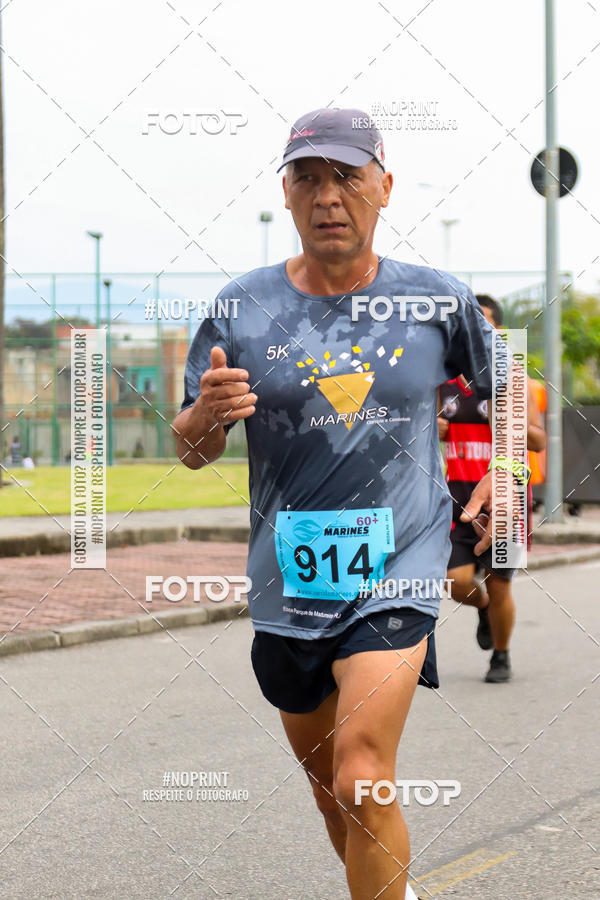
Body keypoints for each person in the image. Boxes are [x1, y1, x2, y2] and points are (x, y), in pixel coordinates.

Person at [172, 108, 509, 899]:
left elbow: (511, 395)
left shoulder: (435, 299)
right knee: (334, 789)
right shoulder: (239, 308)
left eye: (348, 176)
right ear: (285, 194)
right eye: (309, 178)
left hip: (403, 558)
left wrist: (507, 475)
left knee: (362, 774)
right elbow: (190, 449)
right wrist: (203, 416)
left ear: (384, 188)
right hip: (291, 576)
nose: (329, 196)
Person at [438, 294, 546, 683]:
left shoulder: (513, 378)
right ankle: (481, 607)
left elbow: (538, 440)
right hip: (456, 496)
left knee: (501, 582)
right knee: (455, 581)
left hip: (505, 497)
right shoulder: (444, 381)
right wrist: (432, 427)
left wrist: (506, 424)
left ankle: (501, 656)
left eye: (484, 324)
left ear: (497, 331)